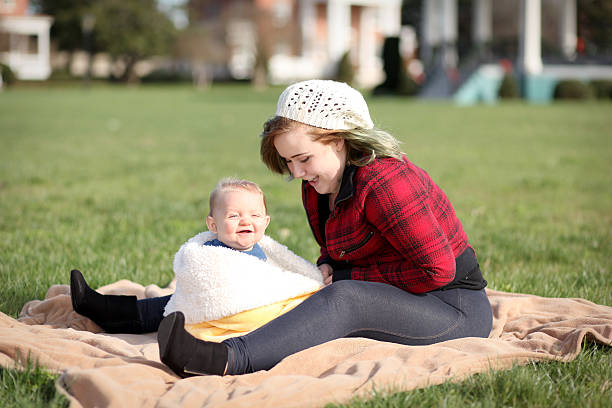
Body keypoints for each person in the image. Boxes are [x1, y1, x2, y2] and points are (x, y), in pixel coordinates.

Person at [157, 79, 492, 377]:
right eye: (288, 162)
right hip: (395, 293)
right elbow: (336, 246)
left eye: (303, 159)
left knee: (343, 297)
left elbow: (437, 271)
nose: (297, 171)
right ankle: (128, 313)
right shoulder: (318, 183)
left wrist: (347, 278)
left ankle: (225, 359)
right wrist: (327, 263)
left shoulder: (386, 181)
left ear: (339, 141)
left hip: (450, 306)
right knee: (282, 282)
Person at [71, 178, 321, 335]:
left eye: (255, 216)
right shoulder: (210, 252)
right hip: (198, 304)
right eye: (234, 216)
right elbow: (201, 279)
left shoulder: (262, 254)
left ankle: (108, 312)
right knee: (157, 307)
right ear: (213, 225)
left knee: (161, 311)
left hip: (230, 313)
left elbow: (275, 282)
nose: (246, 221)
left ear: (265, 222)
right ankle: (99, 307)